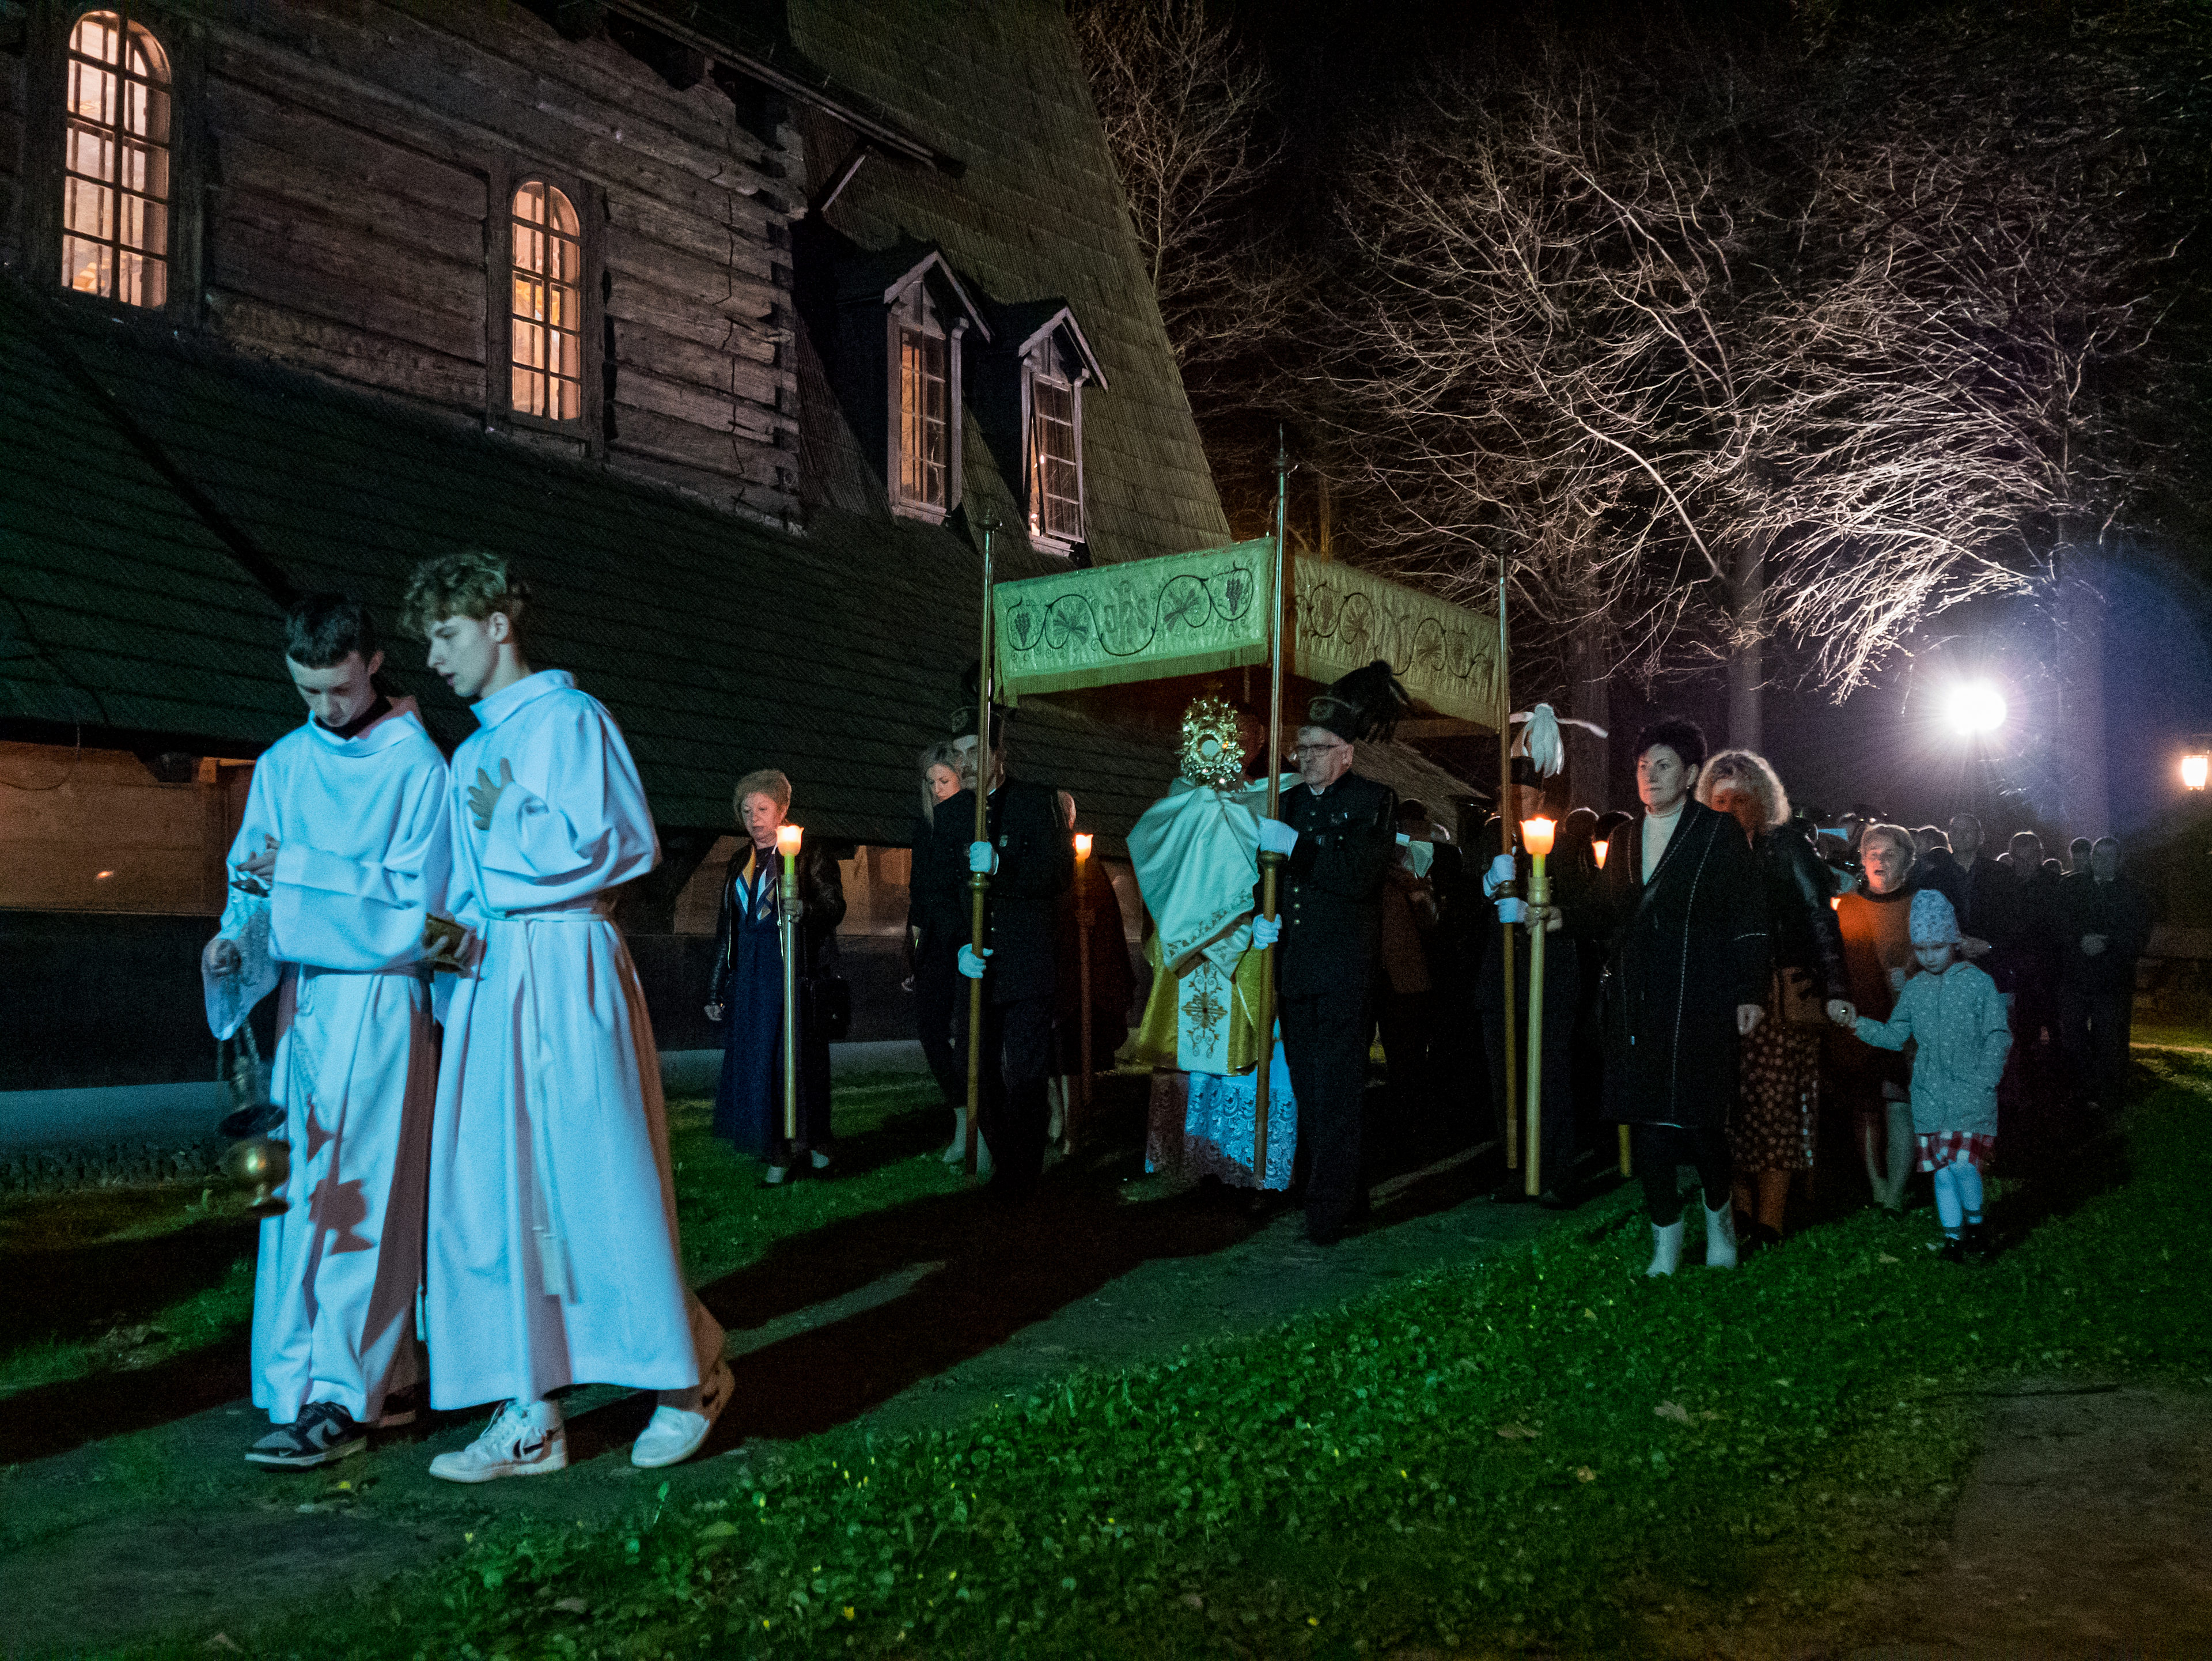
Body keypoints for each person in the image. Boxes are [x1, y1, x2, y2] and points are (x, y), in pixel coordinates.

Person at [406, 551, 728, 1480]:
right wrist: (449, 938)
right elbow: (465, 885)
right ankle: (529, 1406)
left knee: (600, 1172)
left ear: (498, 624)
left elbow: (623, 846)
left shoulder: (573, 721)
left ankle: (687, 1376)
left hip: (570, 962)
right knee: (502, 1190)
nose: (433, 656)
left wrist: (514, 814)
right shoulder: (467, 751)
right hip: (496, 978)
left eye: (446, 633)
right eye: (427, 637)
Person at [200, 594, 451, 1470]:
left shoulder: (419, 768)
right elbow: (254, 890)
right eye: (307, 691)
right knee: (304, 1192)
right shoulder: (283, 762)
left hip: (381, 1003)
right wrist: (238, 940)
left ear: (373, 664)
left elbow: (424, 908)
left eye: (338, 689)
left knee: (367, 1195)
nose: (324, 709)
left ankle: (353, 1386)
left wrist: (302, 870)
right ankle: (308, 1379)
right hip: (305, 1004)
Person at [1577, 717, 1768, 1275]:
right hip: (1639, 1001)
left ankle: (1720, 1219)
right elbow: (1606, 908)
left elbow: (1748, 916)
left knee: (1701, 1123)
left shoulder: (1717, 833)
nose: (1649, 776)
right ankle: (1665, 1240)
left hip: (1700, 998)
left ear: (1688, 775)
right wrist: (1551, 911)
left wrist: (1749, 990)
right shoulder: (1624, 837)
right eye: (1642, 766)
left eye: (1662, 766)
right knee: (1649, 1126)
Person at [1252, 661, 1404, 1245]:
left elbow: (1359, 876)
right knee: (1309, 1088)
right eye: (1302, 747)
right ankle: (1347, 1188)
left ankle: (1326, 1206)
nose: (1307, 756)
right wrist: (1262, 917)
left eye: (1319, 748)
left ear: (1346, 752)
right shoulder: (1284, 804)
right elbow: (1269, 877)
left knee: (1338, 1089)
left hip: (1344, 968)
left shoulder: (1373, 800)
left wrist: (1302, 852)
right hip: (1296, 967)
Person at [1125, 696, 1298, 1191]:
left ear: (1262, 740)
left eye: (1248, 735)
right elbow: (1159, 859)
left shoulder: (1270, 795)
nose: (1237, 744)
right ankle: (1189, 1156)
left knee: (1247, 1052)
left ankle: (1243, 1162)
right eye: (1229, 734)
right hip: (1191, 952)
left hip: (1246, 946)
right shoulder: (1184, 797)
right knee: (1190, 1056)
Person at [1698, 750, 1851, 1248]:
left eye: (1739, 796)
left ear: (1760, 798)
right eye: (1719, 797)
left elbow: (1819, 916)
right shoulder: (1703, 851)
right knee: (1731, 1114)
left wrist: (1836, 988)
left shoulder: (1785, 845)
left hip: (1782, 996)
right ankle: (1740, 1216)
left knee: (1777, 1110)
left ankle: (1770, 1220)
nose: (1728, 806)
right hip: (1723, 996)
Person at [1832, 891, 2012, 1261]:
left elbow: (1998, 1032)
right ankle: (1953, 1238)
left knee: (1963, 1166)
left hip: (1970, 1092)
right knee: (1943, 1173)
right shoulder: (1915, 990)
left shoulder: (1978, 983)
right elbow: (1895, 1035)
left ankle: (1976, 1228)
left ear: (1954, 943)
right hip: (1930, 1094)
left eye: (1938, 947)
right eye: (1922, 948)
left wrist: (1987, 1076)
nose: (1930, 956)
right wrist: (1857, 1025)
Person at [950, 688, 1074, 1202]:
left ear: (1001, 755)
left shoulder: (1033, 801)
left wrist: (1003, 868)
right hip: (979, 963)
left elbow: (1058, 873)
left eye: (978, 752)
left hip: (1025, 961)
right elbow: (947, 890)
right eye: (959, 755)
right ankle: (1005, 1157)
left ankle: (1022, 1173)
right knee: (973, 1066)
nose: (968, 764)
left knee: (1024, 1070)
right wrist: (961, 943)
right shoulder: (957, 813)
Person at [706, 770, 846, 1185]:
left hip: (792, 972)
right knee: (759, 1064)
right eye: (746, 810)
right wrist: (716, 985)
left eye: (762, 808)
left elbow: (834, 906)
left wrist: (807, 910)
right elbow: (726, 929)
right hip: (751, 975)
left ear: (782, 809)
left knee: (799, 1062)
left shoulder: (807, 854)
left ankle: (817, 1142)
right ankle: (776, 1150)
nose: (754, 818)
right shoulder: (738, 862)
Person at [1476, 710, 1592, 1206]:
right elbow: (1460, 912)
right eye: (1508, 796)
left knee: (1550, 1076)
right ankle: (1516, 1166)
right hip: (1499, 978)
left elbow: (1584, 908)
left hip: (1551, 976)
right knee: (1508, 1079)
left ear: (1542, 799)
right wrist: (1486, 885)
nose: (1514, 805)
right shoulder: (1489, 838)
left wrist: (1535, 910)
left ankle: (1559, 1169)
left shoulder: (1565, 847)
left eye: (1523, 797)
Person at [1832, 822, 1921, 1212]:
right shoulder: (1848, 905)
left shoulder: (1922, 902)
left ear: (1907, 859)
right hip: (1861, 1016)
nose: (1880, 861)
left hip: (1909, 1020)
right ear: (1863, 861)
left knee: (1900, 1102)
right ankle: (1876, 1184)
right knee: (1866, 1104)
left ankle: (1897, 1191)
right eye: (1873, 854)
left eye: (1889, 854)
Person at [1048, 791, 1134, 1147]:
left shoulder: (1088, 865)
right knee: (1045, 1051)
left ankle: (1076, 1121)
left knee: (1072, 1050)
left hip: (1079, 976)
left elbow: (1106, 922)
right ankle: (1057, 1114)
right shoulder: (1041, 856)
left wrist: (1091, 921)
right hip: (1049, 968)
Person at [2059, 836, 2152, 1121]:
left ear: (2120, 860)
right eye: (2099, 856)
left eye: (2110, 857)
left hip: (2113, 979)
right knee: (2072, 1034)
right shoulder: (2071, 886)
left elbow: (2138, 934)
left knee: (2111, 1039)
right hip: (2076, 976)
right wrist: (2079, 941)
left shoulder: (2134, 892)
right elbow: (2059, 925)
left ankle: (2108, 1095)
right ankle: (2083, 1089)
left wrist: (2108, 945)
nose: (2103, 861)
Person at [908, 742, 970, 1155]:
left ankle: (974, 1122)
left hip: (964, 937)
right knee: (929, 1028)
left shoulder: (969, 822)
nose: (937, 788)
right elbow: (917, 893)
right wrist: (912, 952)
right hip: (932, 939)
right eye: (931, 782)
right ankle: (962, 1110)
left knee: (968, 1034)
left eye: (944, 780)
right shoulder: (925, 828)